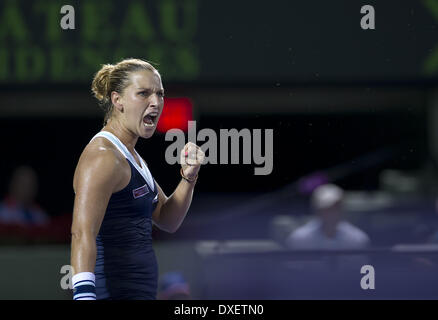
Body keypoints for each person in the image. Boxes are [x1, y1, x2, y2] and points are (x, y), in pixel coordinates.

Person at [70, 58, 204, 300]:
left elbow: (167, 219)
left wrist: (189, 178)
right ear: (117, 100)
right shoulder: (103, 157)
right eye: (143, 93)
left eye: (160, 94)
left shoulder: (132, 158)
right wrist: (84, 297)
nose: (156, 102)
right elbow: (82, 234)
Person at [285, 184, 370, 250]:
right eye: (325, 209)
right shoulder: (299, 240)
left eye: (335, 208)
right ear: (316, 210)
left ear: (342, 209)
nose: (330, 213)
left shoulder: (358, 240)